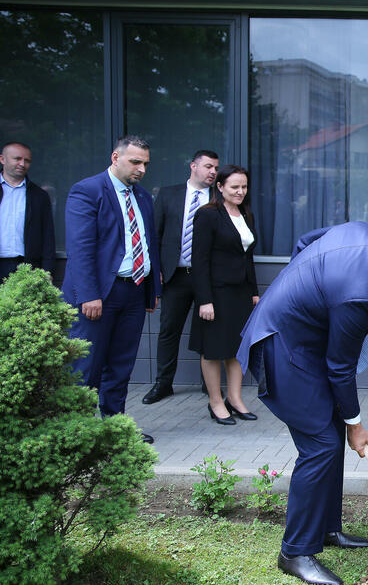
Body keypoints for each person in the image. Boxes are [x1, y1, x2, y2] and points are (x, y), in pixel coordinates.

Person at [236, 223, 368, 585]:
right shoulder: (360, 296)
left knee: (330, 435)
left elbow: (304, 241)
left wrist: (306, 294)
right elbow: (340, 367)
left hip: (297, 341)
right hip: (280, 350)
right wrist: (356, 424)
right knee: (321, 444)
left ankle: (327, 529)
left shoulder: (361, 231)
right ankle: (296, 551)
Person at [62, 135, 160, 443]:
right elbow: (80, 249)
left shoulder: (142, 197)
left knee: (121, 363)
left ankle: (114, 426)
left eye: (145, 163)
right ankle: (77, 429)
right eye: (135, 162)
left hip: (133, 290)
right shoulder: (87, 191)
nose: (141, 169)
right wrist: (89, 294)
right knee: (87, 364)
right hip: (98, 294)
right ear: (115, 157)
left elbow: (148, 244)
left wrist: (151, 289)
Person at [143, 149, 219, 404]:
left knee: (209, 332)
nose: (212, 172)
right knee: (168, 330)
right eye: (208, 166)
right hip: (175, 275)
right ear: (193, 166)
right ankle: (163, 384)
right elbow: (154, 235)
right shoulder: (169, 194)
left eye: (216, 169)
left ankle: (209, 387)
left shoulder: (218, 198)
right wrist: (157, 271)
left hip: (207, 277)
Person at [189, 164, 259, 425]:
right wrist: (204, 300)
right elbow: (200, 261)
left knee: (236, 349)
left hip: (240, 293)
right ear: (220, 187)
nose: (240, 192)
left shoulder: (246, 214)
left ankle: (236, 399)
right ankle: (216, 402)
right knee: (213, 350)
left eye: (244, 187)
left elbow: (247, 258)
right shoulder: (207, 215)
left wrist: (253, 292)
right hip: (215, 294)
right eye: (234, 187)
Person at [0, 142, 55, 280]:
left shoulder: (39, 196)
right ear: (2, 159)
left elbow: (48, 236)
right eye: (17, 159)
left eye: (27, 160)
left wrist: (47, 271)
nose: (22, 164)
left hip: (27, 266)